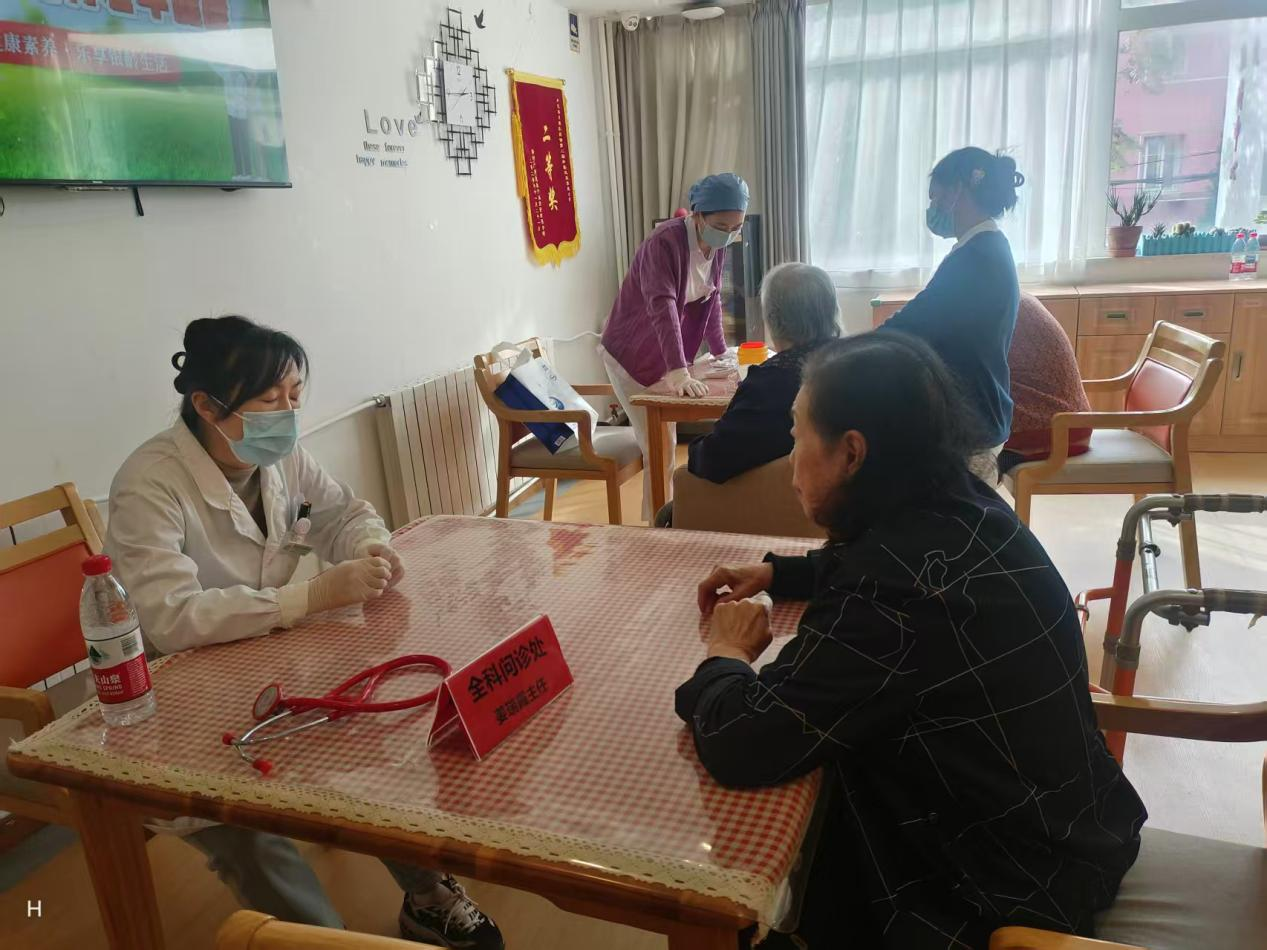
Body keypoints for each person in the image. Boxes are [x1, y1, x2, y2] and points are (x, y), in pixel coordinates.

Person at [677, 332, 1145, 948]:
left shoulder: (887, 597)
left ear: (851, 453)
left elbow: (744, 742)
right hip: (1075, 827)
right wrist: (780, 574)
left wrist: (728, 652)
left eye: (797, 437)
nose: (790, 462)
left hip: (1009, 887)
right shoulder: (966, 502)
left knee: (778, 856)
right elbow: (892, 565)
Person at [106, 316, 503, 950]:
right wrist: (311, 595)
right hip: (178, 696)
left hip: (273, 661)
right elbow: (171, 618)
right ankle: (319, 941)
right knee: (245, 829)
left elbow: (343, 512)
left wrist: (370, 547)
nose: (289, 415)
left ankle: (428, 896)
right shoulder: (148, 484)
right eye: (270, 400)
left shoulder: (278, 455)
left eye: (295, 395)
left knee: (372, 749)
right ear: (206, 406)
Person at [600, 172, 749, 519]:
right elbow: (662, 306)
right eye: (721, 226)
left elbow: (712, 298)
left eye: (736, 227)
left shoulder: (716, 245)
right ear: (698, 215)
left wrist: (720, 351)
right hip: (632, 353)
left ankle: (664, 517)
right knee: (659, 445)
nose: (728, 234)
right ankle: (658, 524)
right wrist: (679, 371)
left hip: (666, 351)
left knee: (664, 444)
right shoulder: (663, 243)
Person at [653, 262, 839, 527]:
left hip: (774, 511)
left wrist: (696, 448)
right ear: (831, 310)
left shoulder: (771, 383)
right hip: (842, 511)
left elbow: (713, 459)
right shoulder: (852, 363)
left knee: (668, 513)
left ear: (773, 319)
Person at [881, 147, 1024, 482]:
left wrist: (844, 353)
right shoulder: (987, 247)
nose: (933, 208)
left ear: (958, 190)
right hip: (980, 412)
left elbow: (910, 326)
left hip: (972, 423)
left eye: (935, 197)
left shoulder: (976, 258)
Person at [998, 294, 1092, 476]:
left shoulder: (988, 308)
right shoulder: (1012, 297)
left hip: (1052, 430)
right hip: (1067, 422)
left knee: (953, 446)